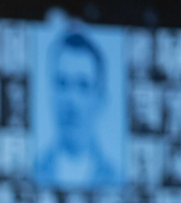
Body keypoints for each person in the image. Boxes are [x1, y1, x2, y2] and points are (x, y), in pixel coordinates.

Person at [34, 30, 119, 188]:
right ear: (51, 93)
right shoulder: (32, 171)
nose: (71, 100)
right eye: (62, 83)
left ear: (100, 98)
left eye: (83, 85)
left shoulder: (115, 179)